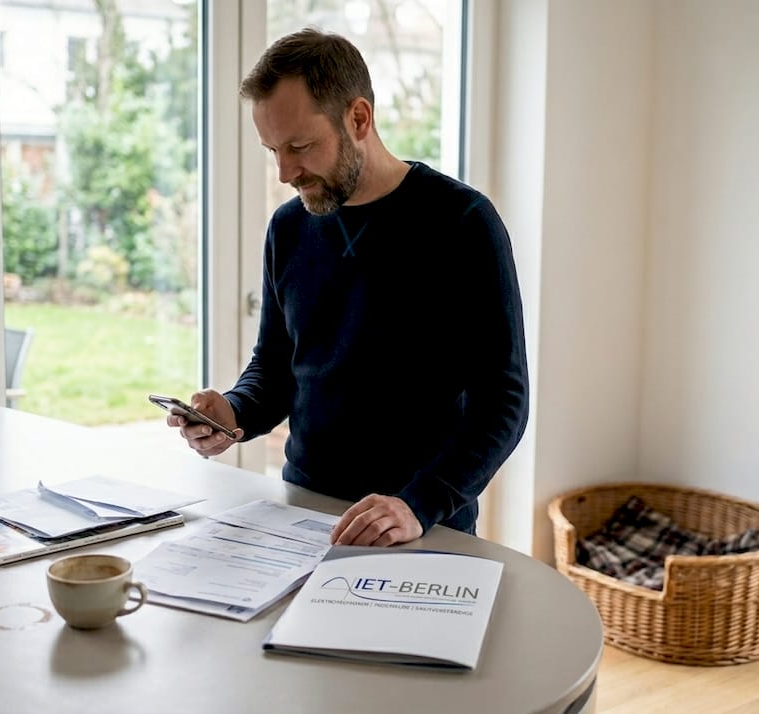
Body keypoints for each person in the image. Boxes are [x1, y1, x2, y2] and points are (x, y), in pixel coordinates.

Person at [168, 27, 528, 547]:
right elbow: (276, 368)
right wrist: (233, 411)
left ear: (358, 118)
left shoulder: (463, 222)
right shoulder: (288, 228)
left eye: (299, 146)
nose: (285, 171)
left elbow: (504, 401)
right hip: (303, 513)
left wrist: (418, 504)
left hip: (421, 526)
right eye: (273, 149)